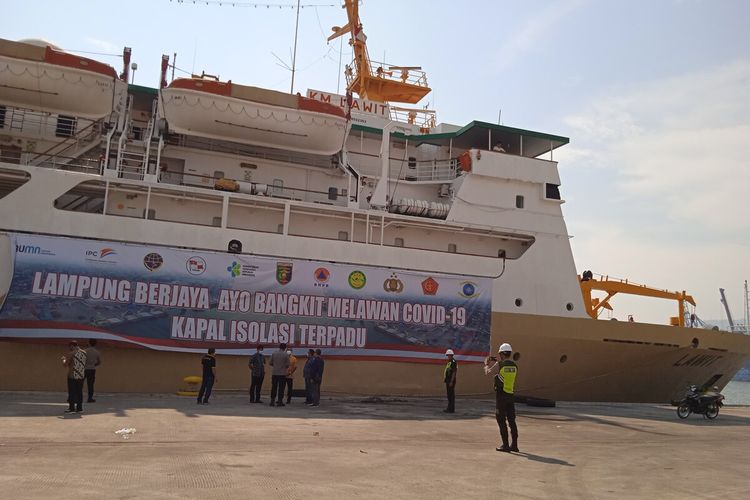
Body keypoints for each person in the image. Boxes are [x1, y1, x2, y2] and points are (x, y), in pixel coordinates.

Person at [484, 342, 519, 452]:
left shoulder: (500, 364)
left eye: (500, 355)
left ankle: (505, 445)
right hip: (510, 395)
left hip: (501, 396)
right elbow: (504, 373)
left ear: (502, 354)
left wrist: (486, 364)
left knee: (501, 420)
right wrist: (497, 362)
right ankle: (514, 445)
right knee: (512, 421)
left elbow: (488, 373)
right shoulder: (514, 366)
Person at [62, 341, 87, 413]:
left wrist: (63, 359)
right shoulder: (84, 353)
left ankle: (71, 408)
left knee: (72, 392)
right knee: (79, 392)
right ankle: (79, 408)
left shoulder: (71, 353)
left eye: (70, 347)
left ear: (72, 346)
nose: (69, 348)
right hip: (81, 375)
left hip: (72, 376)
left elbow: (65, 365)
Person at [84, 339, 101, 403]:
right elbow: (99, 362)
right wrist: (93, 365)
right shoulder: (97, 352)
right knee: (90, 384)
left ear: (89, 343)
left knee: (80, 383)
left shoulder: (85, 351)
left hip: (84, 369)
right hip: (92, 369)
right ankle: (90, 398)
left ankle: (77, 397)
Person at [443, 349, 457, 413]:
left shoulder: (453, 362)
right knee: (449, 395)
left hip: (451, 381)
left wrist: (451, 381)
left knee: (451, 395)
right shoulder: (449, 362)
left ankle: (451, 409)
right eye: (447, 355)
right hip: (448, 381)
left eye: (448, 355)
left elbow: (454, 372)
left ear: (451, 355)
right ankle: (449, 408)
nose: (447, 357)